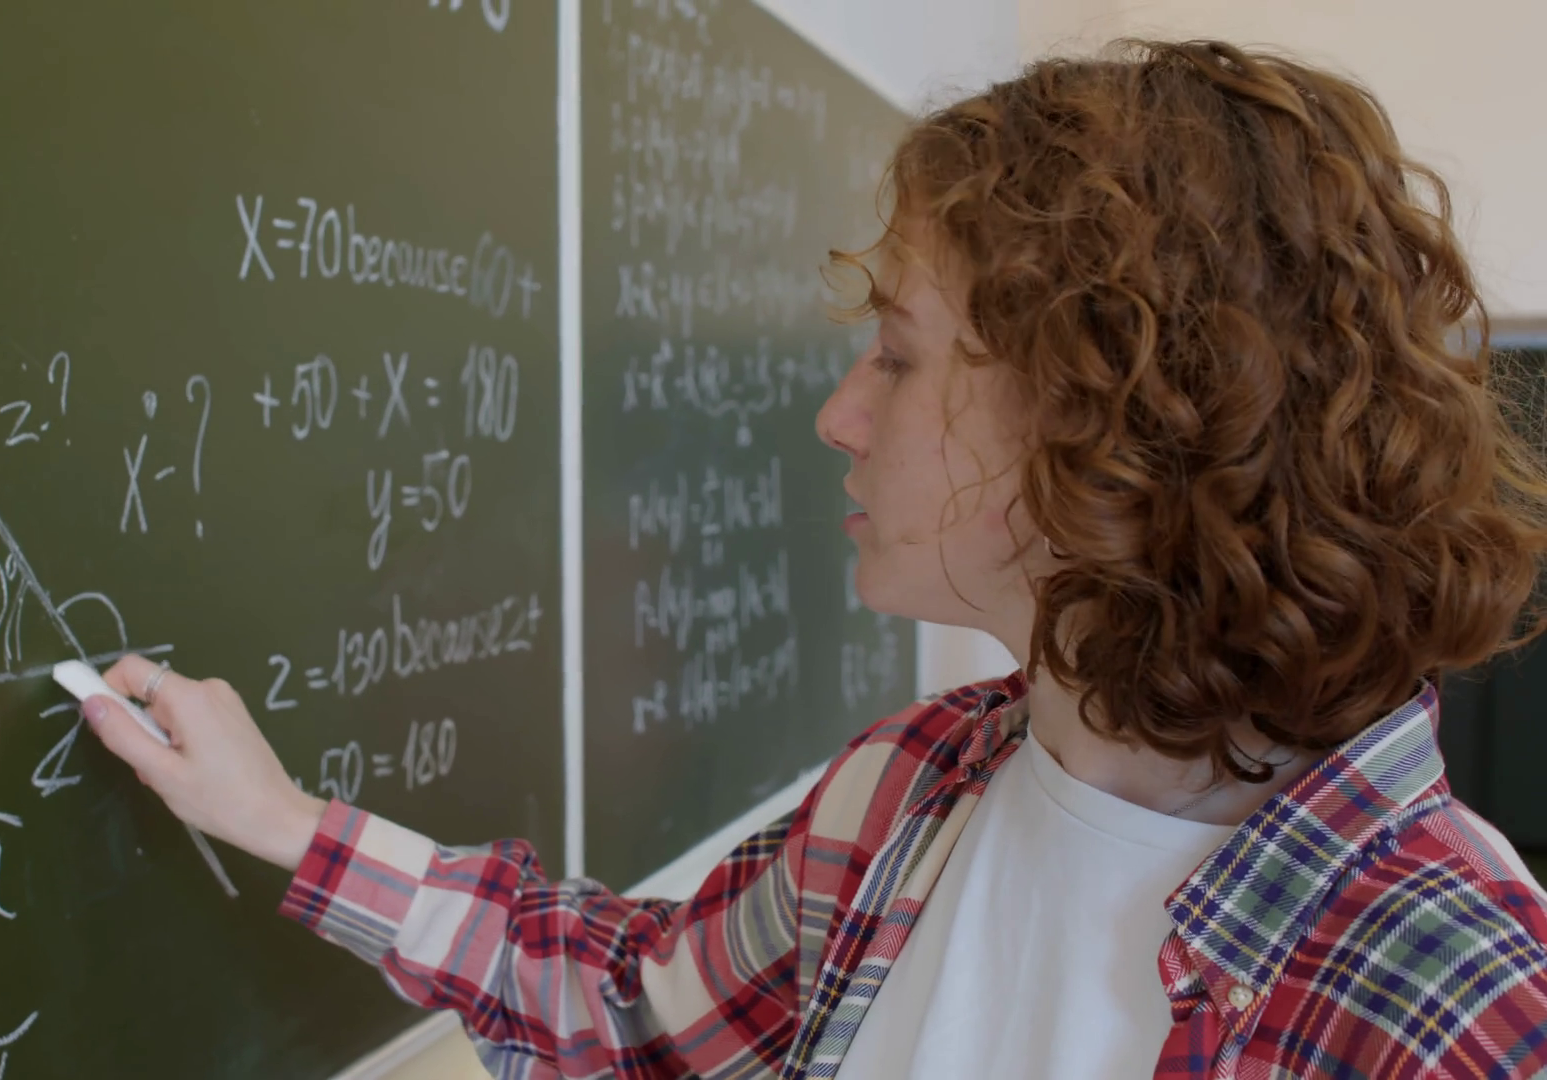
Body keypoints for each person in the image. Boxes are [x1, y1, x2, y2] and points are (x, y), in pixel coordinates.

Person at [80, 40, 1547, 1079]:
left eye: (898, 357)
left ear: (1108, 416)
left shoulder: (1457, 1010)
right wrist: (284, 823)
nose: (840, 416)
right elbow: (631, 1012)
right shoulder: (912, 793)